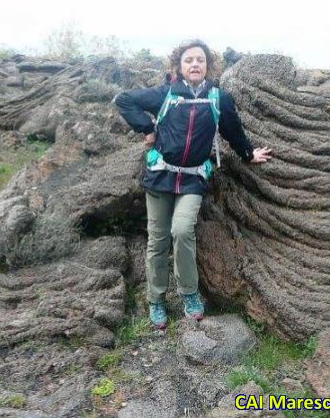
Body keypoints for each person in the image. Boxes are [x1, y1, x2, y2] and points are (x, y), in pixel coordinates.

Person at [114, 39, 272, 329]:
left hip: (192, 178)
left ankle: (189, 294)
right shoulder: (165, 94)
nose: (195, 64)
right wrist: (147, 129)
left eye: (200, 60)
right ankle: (156, 301)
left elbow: (233, 132)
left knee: (183, 230)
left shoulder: (218, 98)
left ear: (208, 65)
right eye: (189, 60)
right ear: (179, 66)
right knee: (158, 241)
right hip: (160, 176)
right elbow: (123, 100)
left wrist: (249, 154)